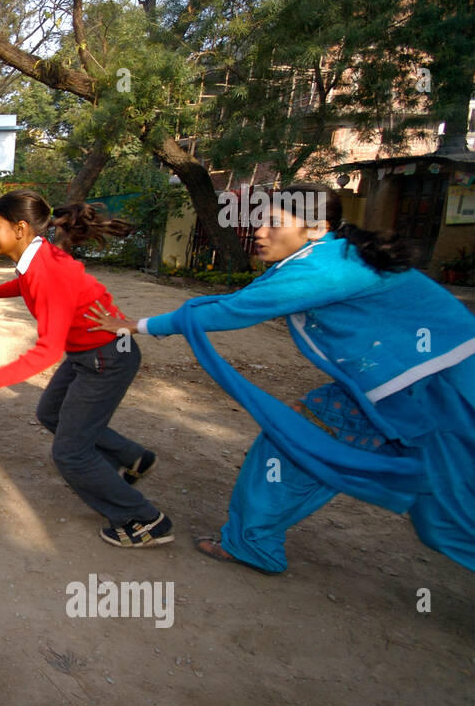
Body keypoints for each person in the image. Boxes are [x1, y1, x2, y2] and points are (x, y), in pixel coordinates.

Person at [87, 184, 475, 574]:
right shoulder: (331, 255)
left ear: (316, 227)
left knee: (448, 512)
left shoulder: (324, 268)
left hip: (438, 390)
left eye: (273, 223)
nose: (259, 232)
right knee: (301, 441)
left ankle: (253, 542)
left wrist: (136, 325)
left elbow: (233, 310)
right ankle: (253, 541)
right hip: (407, 384)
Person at [0, 190, 171, 548]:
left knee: (70, 453)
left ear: (20, 228)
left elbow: (47, 350)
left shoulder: (46, 269)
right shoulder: (35, 257)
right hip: (92, 353)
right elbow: (25, 283)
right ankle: (133, 459)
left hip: (106, 358)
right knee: (50, 411)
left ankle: (143, 520)